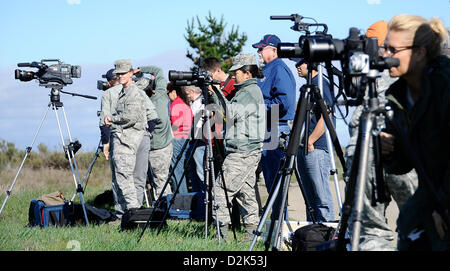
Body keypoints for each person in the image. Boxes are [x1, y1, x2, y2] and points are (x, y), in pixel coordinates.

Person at [344, 20, 418, 250]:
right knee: (418, 228)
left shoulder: (376, 80)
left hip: (368, 159)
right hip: (397, 163)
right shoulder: (410, 78)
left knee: (372, 233)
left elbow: (356, 123)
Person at [379, 14, 449, 250]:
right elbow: (403, 166)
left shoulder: (445, 86)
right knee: (409, 226)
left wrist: (443, 207)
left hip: (445, 194)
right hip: (429, 193)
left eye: (392, 49)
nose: (384, 55)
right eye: (384, 47)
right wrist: (389, 151)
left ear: (419, 52)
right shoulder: (399, 95)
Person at [209, 53, 266, 241]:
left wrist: (217, 92)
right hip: (245, 149)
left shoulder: (249, 93)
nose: (233, 76)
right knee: (245, 193)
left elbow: (231, 114)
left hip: (242, 151)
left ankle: (221, 237)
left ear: (247, 73)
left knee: (220, 190)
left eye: (237, 73)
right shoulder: (245, 92)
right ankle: (251, 236)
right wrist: (216, 95)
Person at [252, 34, 296, 219]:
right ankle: (274, 224)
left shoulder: (278, 69)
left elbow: (284, 102)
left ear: (274, 50)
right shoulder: (269, 69)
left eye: (262, 48)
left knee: (275, 182)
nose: (259, 52)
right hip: (268, 128)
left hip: (276, 128)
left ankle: (279, 227)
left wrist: (259, 107)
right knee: (270, 182)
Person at [102, 59, 150, 218]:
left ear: (131, 73)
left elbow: (131, 117)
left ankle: (134, 213)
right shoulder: (124, 91)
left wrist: (112, 119)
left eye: (123, 73)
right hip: (125, 139)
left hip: (128, 140)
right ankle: (132, 214)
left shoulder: (133, 92)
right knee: (125, 179)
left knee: (125, 179)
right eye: (118, 74)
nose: (120, 76)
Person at [295, 59, 336, 223]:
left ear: (311, 64)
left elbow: (327, 116)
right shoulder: (307, 87)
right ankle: (313, 237)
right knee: (310, 199)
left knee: (321, 197)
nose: (297, 67)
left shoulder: (320, 83)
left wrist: (310, 141)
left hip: (316, 148)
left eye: (300, 63)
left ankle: (326, 232)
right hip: (305, 147)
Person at [138, 65, 174, 198]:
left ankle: (164, 207)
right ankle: (165, 206)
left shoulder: (149, 109)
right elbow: (158, 70)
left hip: (156, 149)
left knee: (160, 182)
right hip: (167, 144)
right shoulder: (161, 94)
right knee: (162, 179)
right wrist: (140, 70)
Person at [167, 82, 192, 194]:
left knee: (177, 170)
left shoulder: (176, 104)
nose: (168, 96)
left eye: (168, 93)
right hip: (185, 138)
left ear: (173, 92)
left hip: (177, 138)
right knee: (182, 170)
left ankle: (181, 197)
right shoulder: (184, 103)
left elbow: (175, 124)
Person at [181, 85, 206, 193]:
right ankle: (198, 193)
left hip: (200, 140)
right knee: (194, 169)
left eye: (188, 94)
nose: (187, 97)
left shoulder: (201, 102)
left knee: (200, 169)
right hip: (194, 139)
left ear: (192, 92)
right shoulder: (194, 103)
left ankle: (204, 192)